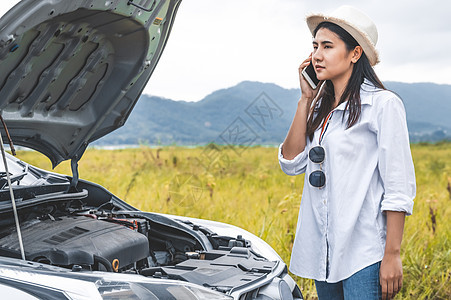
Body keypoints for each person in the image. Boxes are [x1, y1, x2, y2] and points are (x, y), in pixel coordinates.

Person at [278, 5, 416, 300]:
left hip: (362, 254)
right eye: (315, 46)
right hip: (323, 252)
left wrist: (392, 255)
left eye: (328, 46)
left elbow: (398, 187)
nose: (317, 55)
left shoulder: (383, 105)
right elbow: (291, 163)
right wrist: (305, 100)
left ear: (355, 54)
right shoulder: (318, 106)